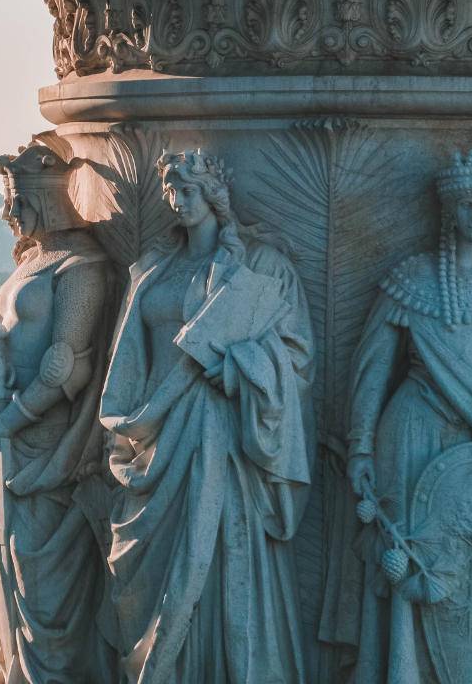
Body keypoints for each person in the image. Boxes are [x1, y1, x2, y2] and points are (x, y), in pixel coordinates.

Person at [327, 141, 472, 682]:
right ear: (449, 209)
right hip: (413, 438)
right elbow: (371, 372)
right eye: (466, 205)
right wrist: (361, 447)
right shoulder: (413, 281)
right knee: (408, 569)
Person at [99, 149, 314, 684]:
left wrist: (239, 368)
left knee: (219, 564)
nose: (178, 200)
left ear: (215, 194)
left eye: (188, 189)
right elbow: (127, 360)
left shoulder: (260, 269)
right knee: (150, 582)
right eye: (171, 190)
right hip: (152, 438)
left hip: (220, 437)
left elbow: (296, 358)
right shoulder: (153, 269)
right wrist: (127, 424)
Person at [0, 141, 117, 684]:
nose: (9, 213)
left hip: (43, 448)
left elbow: (63, 365)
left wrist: (10, 419)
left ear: (47, 200)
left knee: (38, 582)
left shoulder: (84, 266)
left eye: (18, 200)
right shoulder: (35, 260)